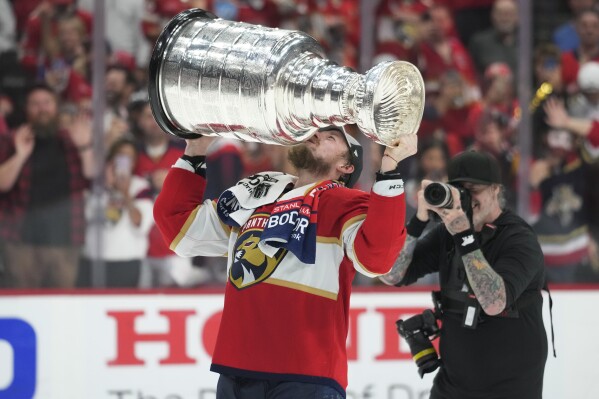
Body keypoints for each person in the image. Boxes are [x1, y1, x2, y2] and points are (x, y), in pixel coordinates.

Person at [153, 126, 417, 398]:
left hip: (306, 376)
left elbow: (378, 258)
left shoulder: (348, 205)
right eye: (314, 132)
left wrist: (390, 171)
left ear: (346, 166)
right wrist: (195, 150)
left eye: (330, 137)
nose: (316, 135)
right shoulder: (256, 195)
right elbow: (179, 227)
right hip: (236, 370)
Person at [380, 150, 548, 399]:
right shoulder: (449, 234)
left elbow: (494, 302)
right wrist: (419, 221)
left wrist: (464, 235)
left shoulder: (518, 238)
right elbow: (391, 274)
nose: (468, 199)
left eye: (474, 190)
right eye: (460, 192)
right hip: (453, 383)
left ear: (495, 190)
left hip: (510, 387)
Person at [0, 83, 94, 288]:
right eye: (35, 104)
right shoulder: (11, 140)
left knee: (62, 306)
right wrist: (20, 155)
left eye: (46, 103)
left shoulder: (71, 139)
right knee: (22, 304)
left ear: (56, 106)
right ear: (26, 109)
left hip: (64, 241)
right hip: (21, 242)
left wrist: (85, 147)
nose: (42, 108)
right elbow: (3, 184)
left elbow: (93, 177)